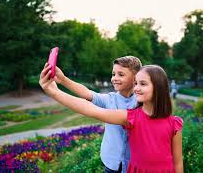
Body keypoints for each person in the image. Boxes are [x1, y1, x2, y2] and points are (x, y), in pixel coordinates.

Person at [39, 64, 184, 173]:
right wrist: (54, 92)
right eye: (136, 84)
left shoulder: (174, 123)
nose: (136, 88)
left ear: (158, 87)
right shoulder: (131, 117)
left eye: (143, 84)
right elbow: (91, 110)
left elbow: (178, 163)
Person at [50, 56, 142, 173]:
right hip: (111, 164)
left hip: (134, 166)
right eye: (113, 74)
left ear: (135, 78)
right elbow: (87, 93)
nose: (115, 78)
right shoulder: (109, 99)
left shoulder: (141, 102)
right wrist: (62, 79)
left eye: (121, 74)